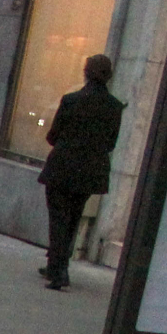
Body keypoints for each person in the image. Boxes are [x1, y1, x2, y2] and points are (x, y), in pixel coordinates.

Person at [36, 53, 123, 290]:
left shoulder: (71, 100)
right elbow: (110, 143)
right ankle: (58, 263)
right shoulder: (114, 107)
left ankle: (58, 269)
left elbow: (53, 136)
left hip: (62, 167)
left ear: (85, 72)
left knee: (58, 218)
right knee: (73, 217)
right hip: (89, 171)